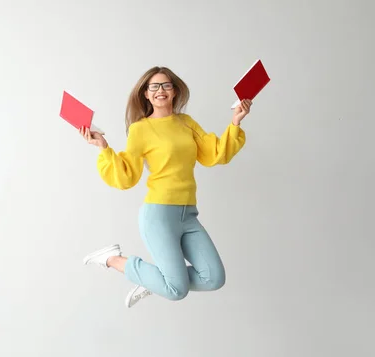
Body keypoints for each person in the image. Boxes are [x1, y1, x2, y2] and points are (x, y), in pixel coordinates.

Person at [80, 66, 252, 308]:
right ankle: (111, 259)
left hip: (189, 215)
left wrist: (235, 121)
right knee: (176, 290)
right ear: (146, 95)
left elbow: (214, 154)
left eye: (166, 85)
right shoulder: (140, 129)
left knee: (214, 278)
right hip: (159, 214)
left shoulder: (186, 123)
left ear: (174, 92)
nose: (160, 90)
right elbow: (126, 174)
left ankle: (153, 280)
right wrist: (103, 148)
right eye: (154, 87)